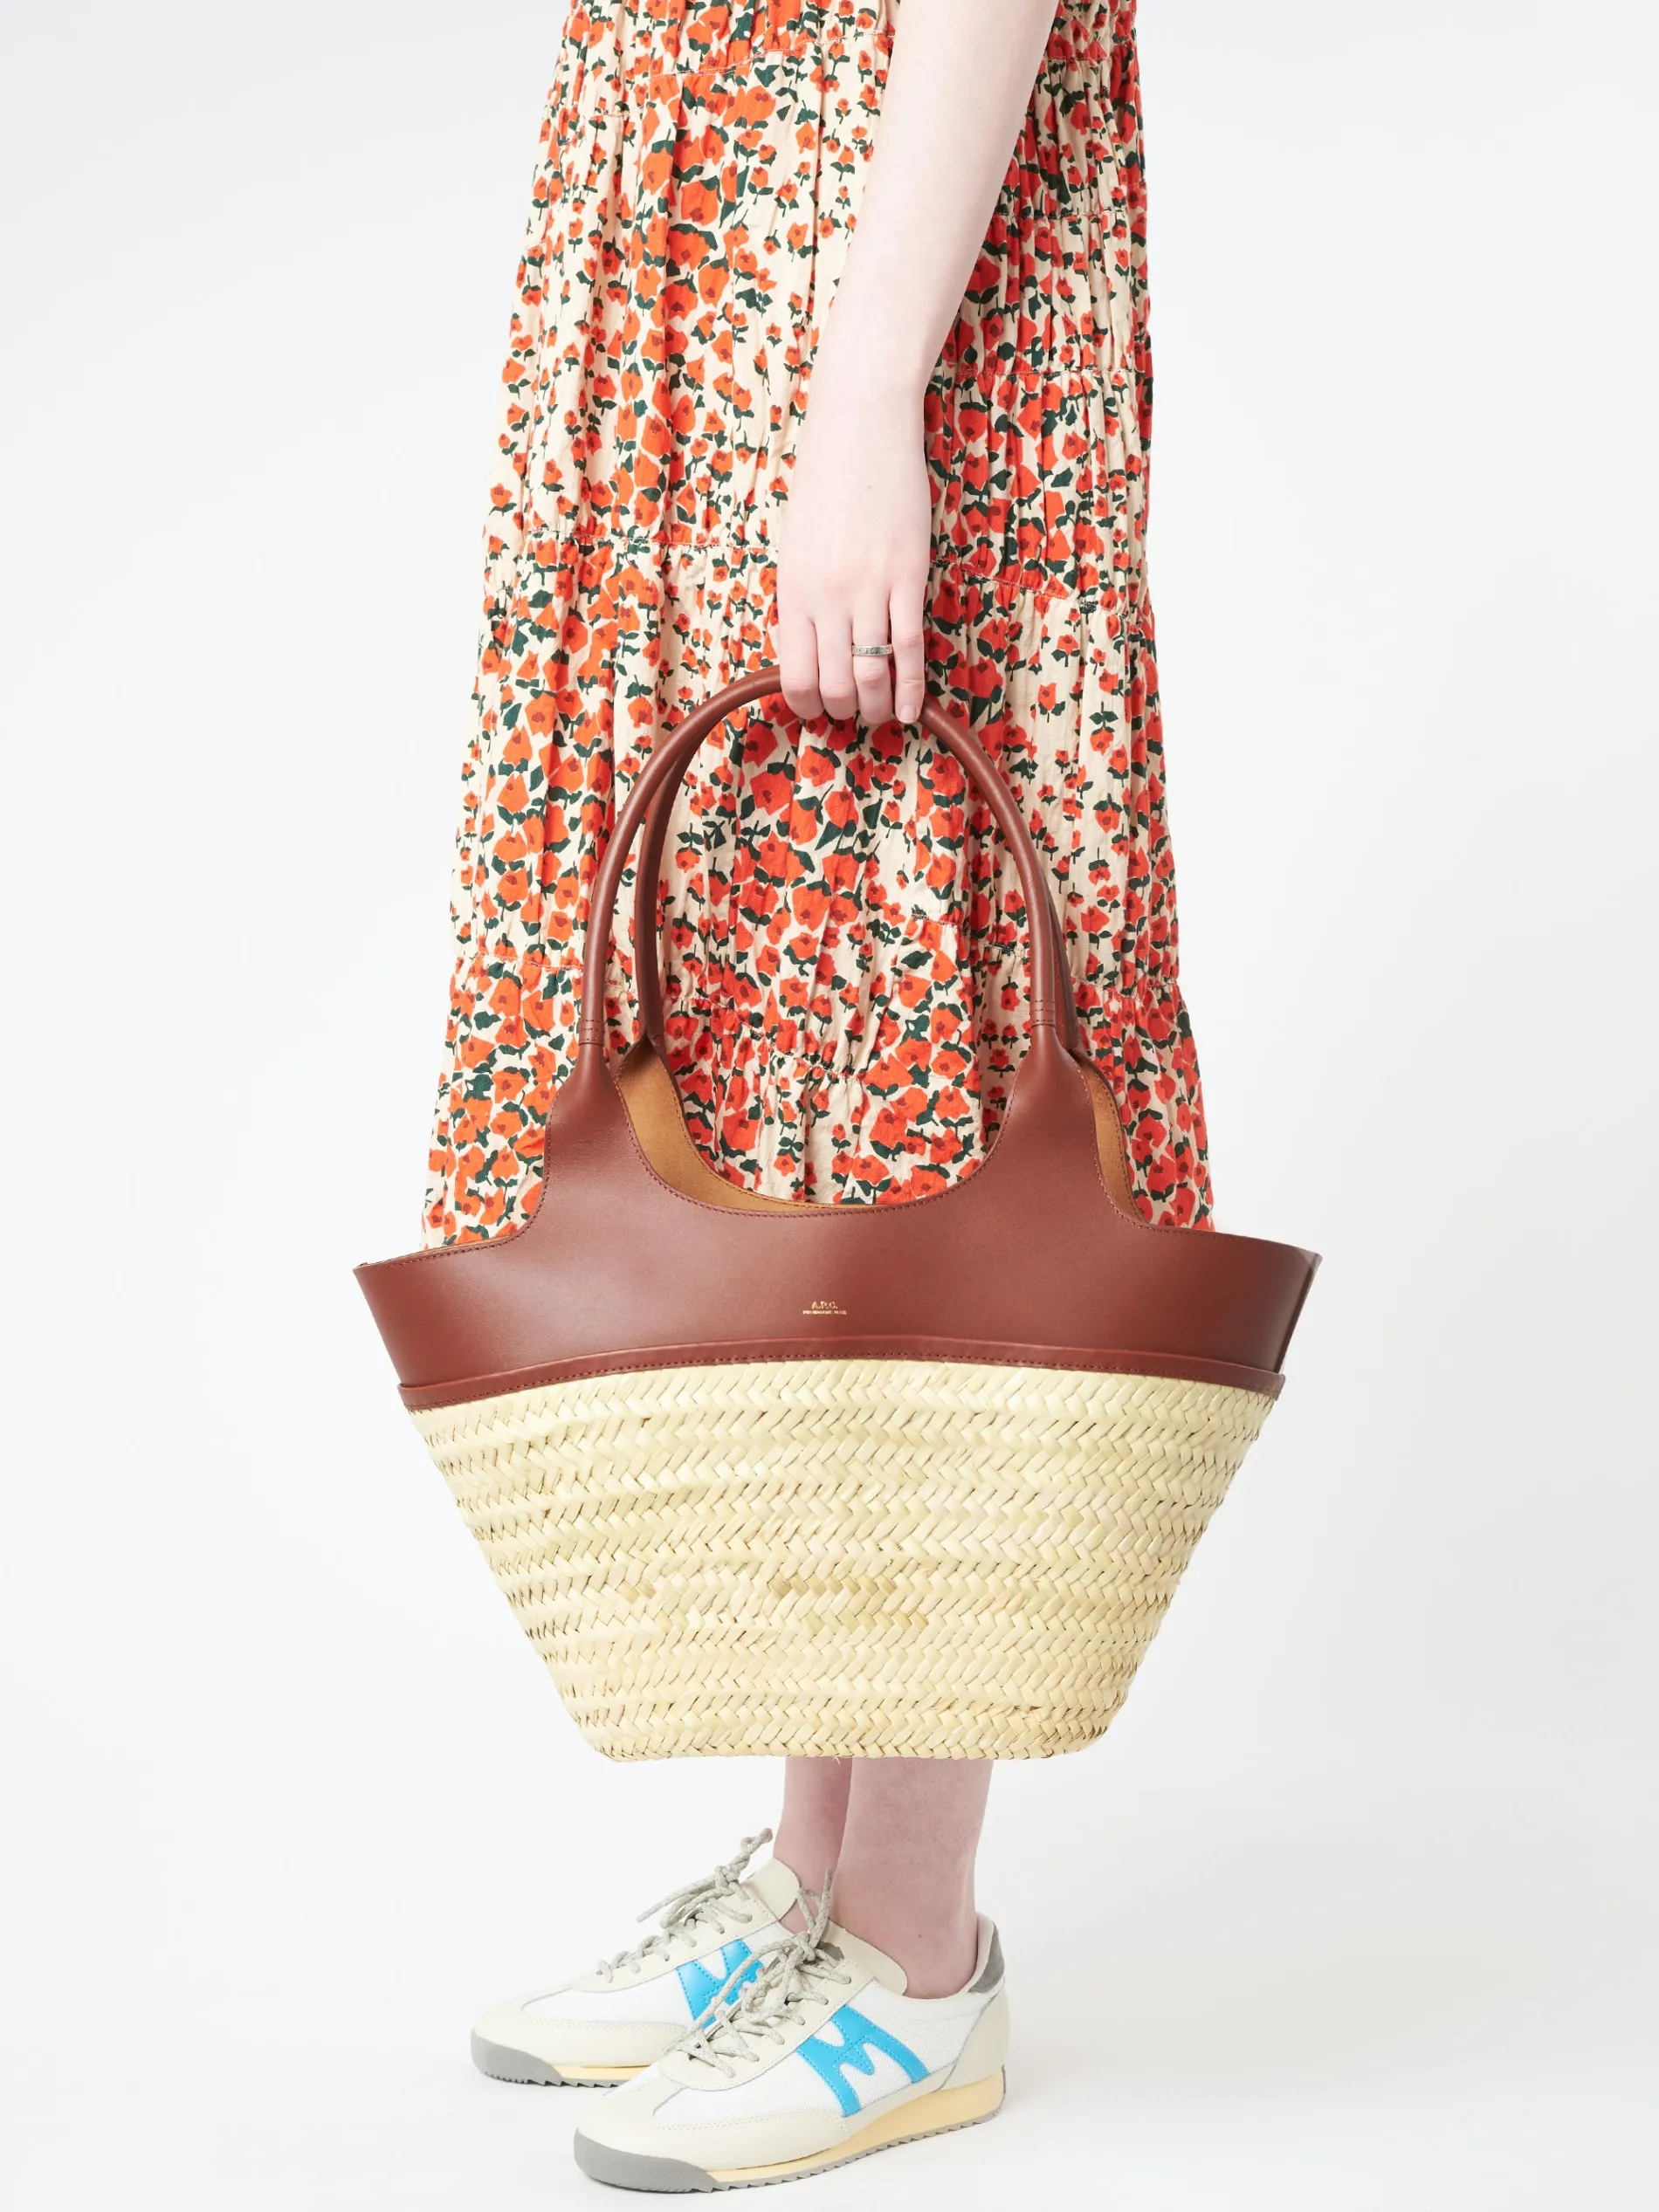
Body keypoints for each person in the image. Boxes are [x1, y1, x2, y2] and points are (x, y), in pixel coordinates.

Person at [427, 0, 1213, 2188]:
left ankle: (913, 1940)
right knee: (774, 1083)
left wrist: (869, 394)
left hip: (848, 239)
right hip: (699, 246)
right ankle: (811, 1881)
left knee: (910, 1044)